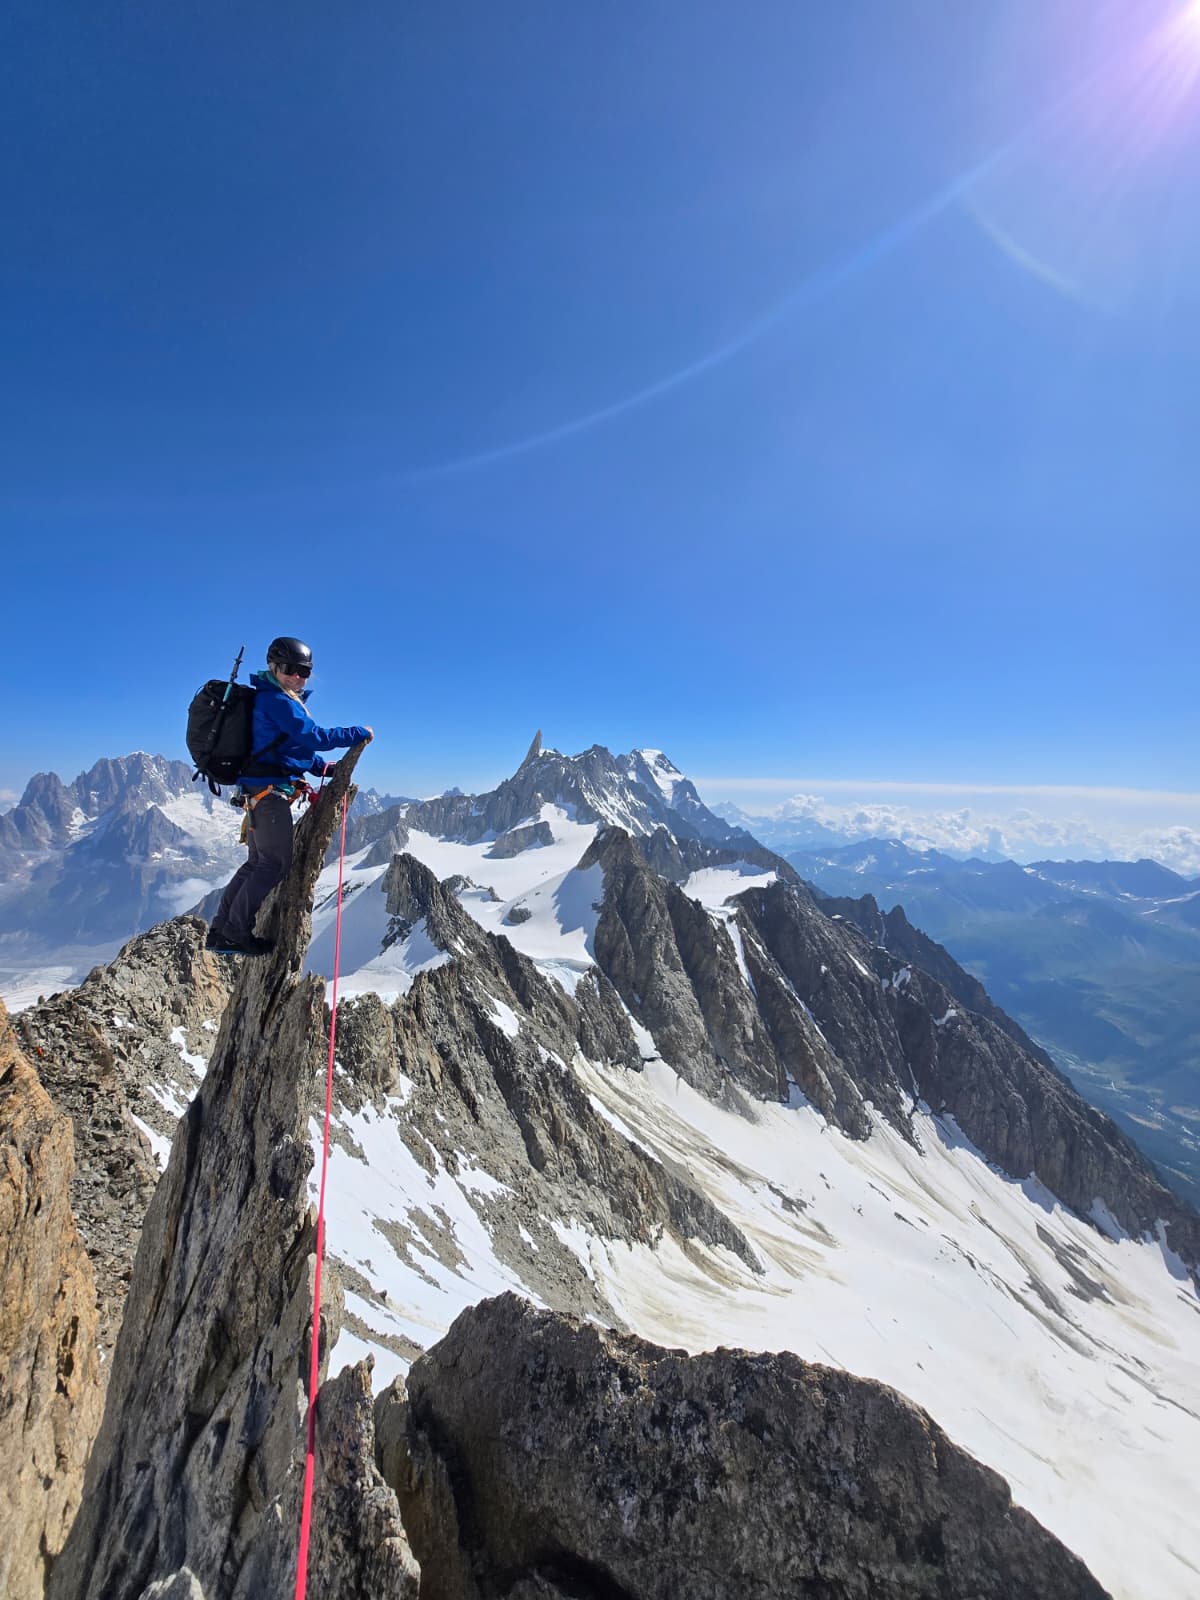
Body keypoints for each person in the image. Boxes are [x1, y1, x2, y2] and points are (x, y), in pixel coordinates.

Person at [208, 636, 372, 956]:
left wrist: (320, 768)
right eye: (290, 669)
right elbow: (313, 737)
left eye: (304, 671)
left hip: (258, 791)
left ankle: (220, 930)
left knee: (256, 862)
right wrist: (358, 733)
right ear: (274, 666)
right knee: (273, 864)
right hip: (268, 796)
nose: (297, 676)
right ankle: (234, 932)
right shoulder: (278, 701)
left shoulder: (274, 698)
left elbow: (288, 748)